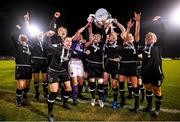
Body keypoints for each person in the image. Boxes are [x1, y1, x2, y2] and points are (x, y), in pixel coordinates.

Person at [141, 16, 165, 117]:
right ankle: (149, 106)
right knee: (148, 89)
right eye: (148, 37)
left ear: (155, 39)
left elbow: (163, 32)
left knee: (157, 90)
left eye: (151, 37)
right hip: (145, 72)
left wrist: (160, 21)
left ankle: (157, 109)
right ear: (146, 39)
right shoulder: (143, 48)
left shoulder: (158, 46)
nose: (149, 38)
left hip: (156, 72)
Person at [118, 12, 141, 112]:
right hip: (123, 65)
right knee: (121, 83)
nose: (130, 37)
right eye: (129, 37)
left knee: (135, 85)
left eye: (131, 37)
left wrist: (137, 22)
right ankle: (122, 100)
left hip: (132, 65)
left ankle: (136, 104)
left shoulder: (135, 44)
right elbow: (125, 36)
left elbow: (136, 33)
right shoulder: (124, 43)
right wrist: (127, 28)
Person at [47, 37, 73, 122]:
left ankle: (65, 103)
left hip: (63, 71)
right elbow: (48, 45)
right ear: (63, 42)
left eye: (70, 41)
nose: (69, 43)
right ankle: (50, 112)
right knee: (54, 91)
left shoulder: (71, 51)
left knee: (69, 88)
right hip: (53, 71)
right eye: (67, 41)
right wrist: (47, 36)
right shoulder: (57, 48)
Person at [24, 13, 49, 101]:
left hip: (44, 62)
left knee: (45, 79)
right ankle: (37, 92)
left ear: (43, 34)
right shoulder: (33, 40)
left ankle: (46, 92)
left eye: (41, 33)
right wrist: (27, 21)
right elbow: (27, 31)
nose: (40, 34)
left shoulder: (46, 41)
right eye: (39, 33)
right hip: (35, 61)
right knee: (36, 79)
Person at [10, 22, 32, 107]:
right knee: (21, 85)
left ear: (27, 39)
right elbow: (12, 36)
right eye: (21, 38)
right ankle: (18, 100)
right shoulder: (17, 45)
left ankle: (24, 96)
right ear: (19, 39)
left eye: (25, 38)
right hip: (21, 67)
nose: (23, 39)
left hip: (29, 67)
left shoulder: (30, 46)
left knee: (27, 85)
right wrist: (16, 28)